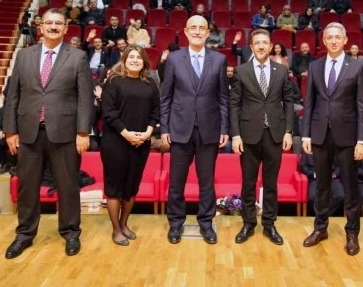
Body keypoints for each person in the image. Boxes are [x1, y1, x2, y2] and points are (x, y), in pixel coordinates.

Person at [2, 9, 93, 259]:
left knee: (68, 186)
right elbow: (13, 96)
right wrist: (10, 130)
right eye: (48, 23)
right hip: (29, 132)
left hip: (65, 134)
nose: (53, 27)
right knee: (27, 188)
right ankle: (24, 235)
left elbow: (85, 98)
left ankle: (71, 233)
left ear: (66, 28)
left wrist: (83, 132)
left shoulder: (77, 56)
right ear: (40, 27)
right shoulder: (24, 56)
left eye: (58, 23)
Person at [160, 15, 229, 245]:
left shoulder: (219, 60)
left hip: (209, 130)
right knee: (177, 182)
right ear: (185, 32)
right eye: (194, 28)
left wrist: (224, 128)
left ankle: (206, 224)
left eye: (202, 28)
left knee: (206, 182)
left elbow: (223, 98)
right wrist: (165, 127)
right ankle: (175, 224)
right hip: (180, 129)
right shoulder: (174, 59)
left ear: (208, 33)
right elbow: (166, 96)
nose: (198, 32)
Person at [301, 22, 363, 256]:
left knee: (350, 188)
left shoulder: (358, 66)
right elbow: (309, 103)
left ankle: (352, 233)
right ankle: (320, 228)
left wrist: (362, 141)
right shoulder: (315, 66)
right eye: (328, 37)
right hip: (320, 135)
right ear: (323, 40)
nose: (332, 41)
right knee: (321, 187)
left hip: (348, 137)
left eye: (336, 37)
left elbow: (362, 107)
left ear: (344, 40)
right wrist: (306, 134)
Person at [229, 29, 294, 245]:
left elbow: (289, 101)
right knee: (248, 183)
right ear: (251, 46)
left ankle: (269, 224)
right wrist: (236, 135)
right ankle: (248, 223)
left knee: (271, 183)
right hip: (248, 135)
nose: (261, 46)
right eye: (257, 42)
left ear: (270, 45)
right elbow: (234, 104)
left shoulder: (281, 70)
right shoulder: (241, 70)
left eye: (264, 42)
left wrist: (288, 131)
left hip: (275, 134)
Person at [101, 45, 160, 245]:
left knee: (131, 187)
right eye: (131, 57)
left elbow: (155, 111)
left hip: (141, 142)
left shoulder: (151, 83)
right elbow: (109, 113)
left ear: (144, 61)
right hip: (116, 142)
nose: (135, 60)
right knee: (115, 187)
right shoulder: (113, 81)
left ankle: (124, 223)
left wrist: (148, 133)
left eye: (138, 57)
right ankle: (116, 229)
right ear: (124, 59)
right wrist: (126, 134)